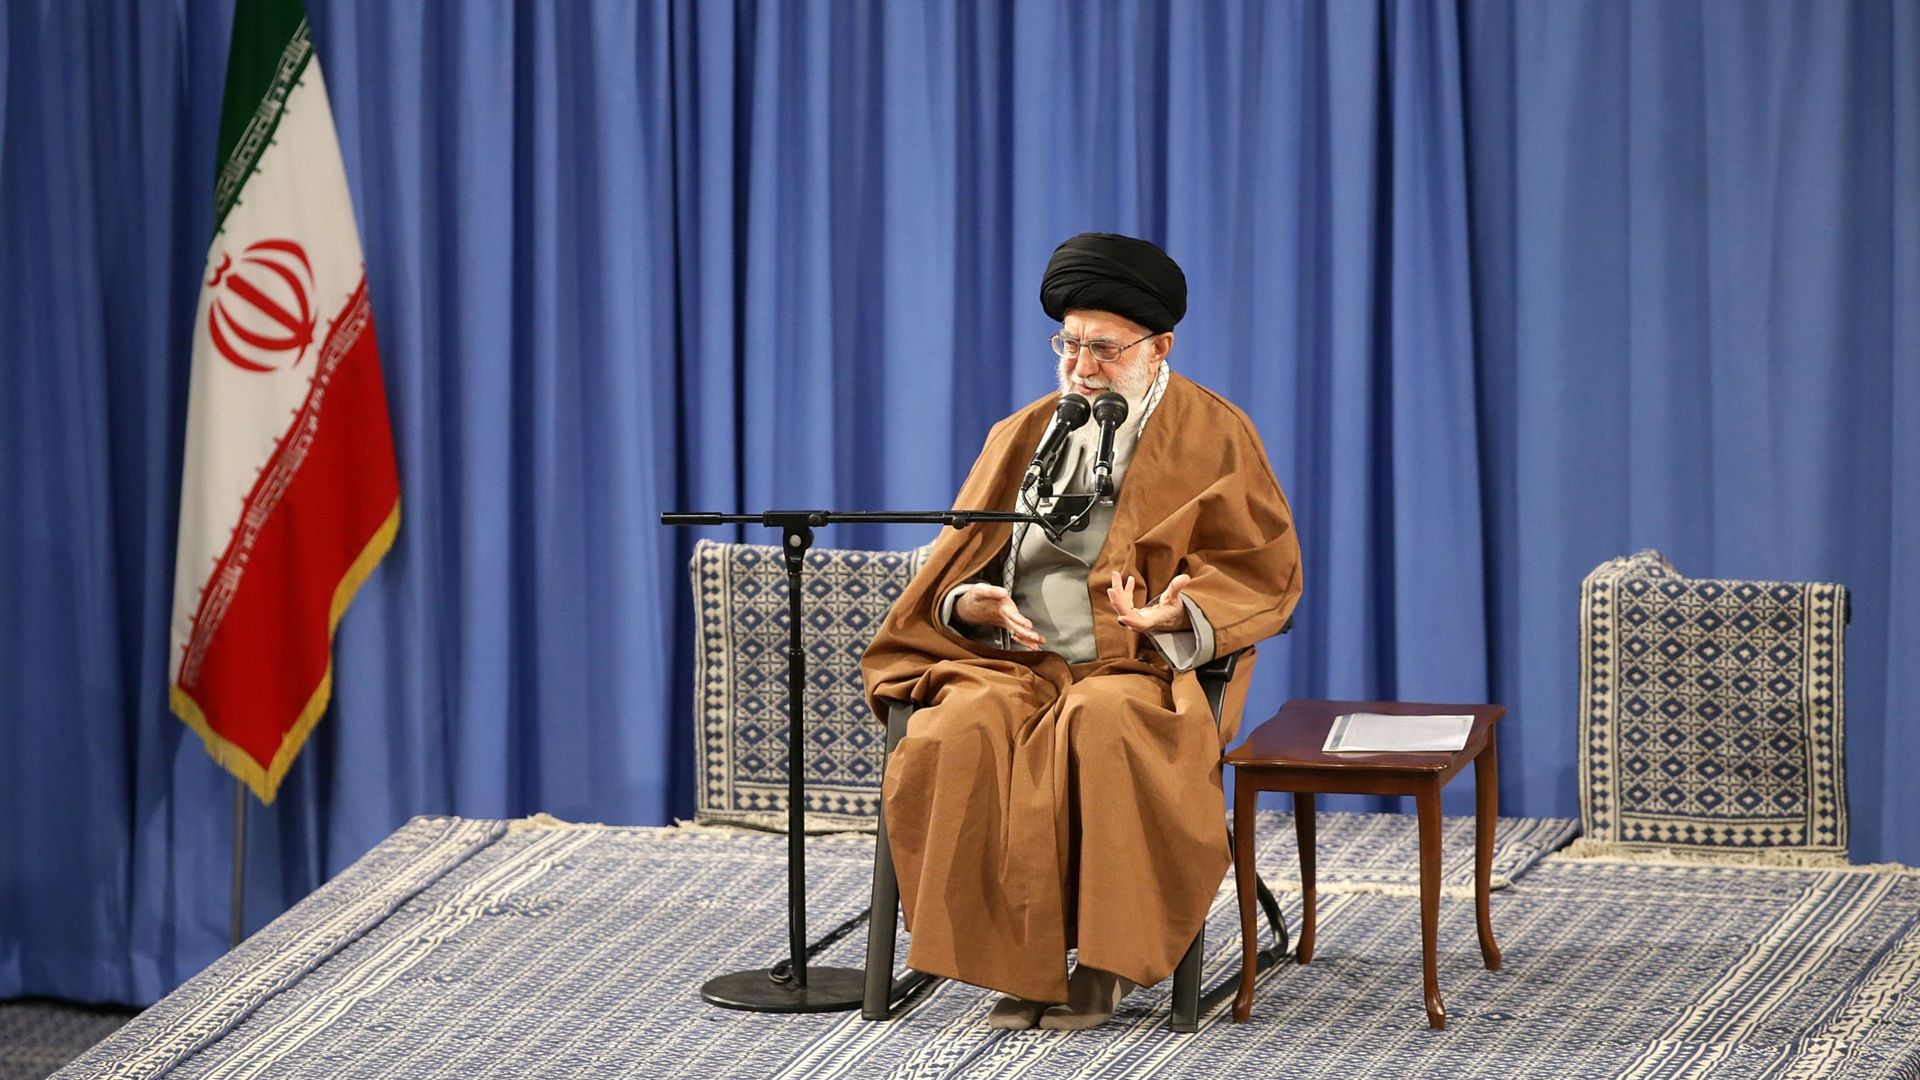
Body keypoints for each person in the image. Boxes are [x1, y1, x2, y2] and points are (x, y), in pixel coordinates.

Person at [861, 233, 1304, 1030]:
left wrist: (1179, 612)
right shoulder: (1024, 431)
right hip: (1010, 668)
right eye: (1068, 345)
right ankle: (1014, 963)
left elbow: (1263, 570)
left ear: (1156, 345)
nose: (1080, 366)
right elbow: (956, 565)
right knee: (951, 735)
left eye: (1102, 349)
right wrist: (972, 604)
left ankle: (1106, 964)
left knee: (1104, 728)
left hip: (1137, 670)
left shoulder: (1216, 435)